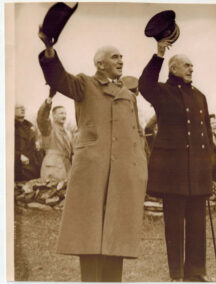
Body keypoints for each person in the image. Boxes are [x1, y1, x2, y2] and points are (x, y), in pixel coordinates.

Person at [38, 29, 148, 281]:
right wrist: (49, 52)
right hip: (93, 172)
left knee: (116, 236)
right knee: (88, 233)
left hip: (122, 174)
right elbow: (58, 78)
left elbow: (137, 136)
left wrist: (140, 167)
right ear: (99, 63)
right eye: (114, 57)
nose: (121, 60)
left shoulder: (129, 96)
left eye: (122, 56)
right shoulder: (84, 84)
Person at [139, 38, 216, 282]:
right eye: (186, 65)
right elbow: (144, 84)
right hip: (173, 173)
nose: (191, 69)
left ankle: (195, 272)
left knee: (197, 226)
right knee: (174, 227)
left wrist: (208, 167)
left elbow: (206, 133)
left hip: (197, 173)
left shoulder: (200, 96)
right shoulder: (162, 92)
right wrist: (159, 54)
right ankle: (176, 275)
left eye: (192, 66)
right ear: (173, 69)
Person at [37, 89, 73, 181]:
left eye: (65, 113)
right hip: (52, 169)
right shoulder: (48, 128)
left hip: (67, 168)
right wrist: (49, 100)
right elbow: (42, 118)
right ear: (54, 116)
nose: (64, 116)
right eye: (61, 113)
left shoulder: (68, 132)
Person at [15, 103, 43, 181]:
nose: (22, 109)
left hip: (33, 164)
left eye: (23, 107)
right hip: (18, 166)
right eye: (19, 108)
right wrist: (18, 156)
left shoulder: (30, 126)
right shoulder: (9, 126)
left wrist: (37, 144)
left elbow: (36, 141)